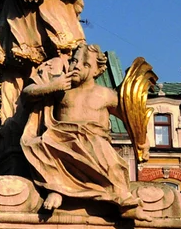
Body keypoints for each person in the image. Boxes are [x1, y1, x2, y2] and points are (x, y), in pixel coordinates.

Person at [19, 44, 139, 217]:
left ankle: (123, 200)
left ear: (97, 71)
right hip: (62, 139)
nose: (76, 67)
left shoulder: (105, 94)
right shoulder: (62, 90)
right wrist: (52, 86)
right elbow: (27, 94)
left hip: (94, 141)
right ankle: (56, 189)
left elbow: (131, 117)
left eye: (86, 65)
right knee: (42, 145)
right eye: (74, 61)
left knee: (110, 161)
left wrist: (142, 140)